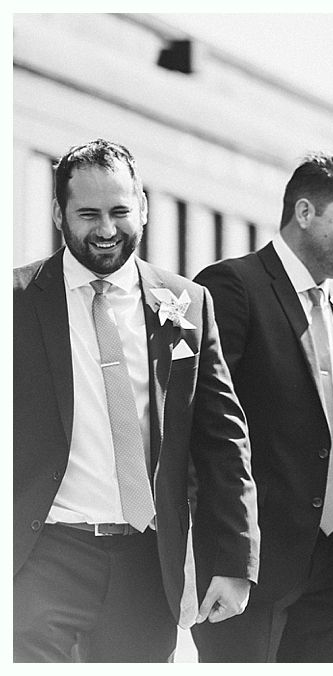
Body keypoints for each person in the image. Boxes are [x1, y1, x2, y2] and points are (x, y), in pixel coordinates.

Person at [13, 139, 260, 662]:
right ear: (59, 213)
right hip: (41, 556)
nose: (106, 230)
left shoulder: (189, 303)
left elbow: (222, 439)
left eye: (120, 211)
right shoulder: (15, 302)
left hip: (148, 562)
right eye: (88, 214)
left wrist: (236, 560)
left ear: (143, 207)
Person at [191, 153, 333, 662]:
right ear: (304, 212)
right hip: (253, 565)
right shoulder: (232, 287)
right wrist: (229, 555)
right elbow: (208, 430)